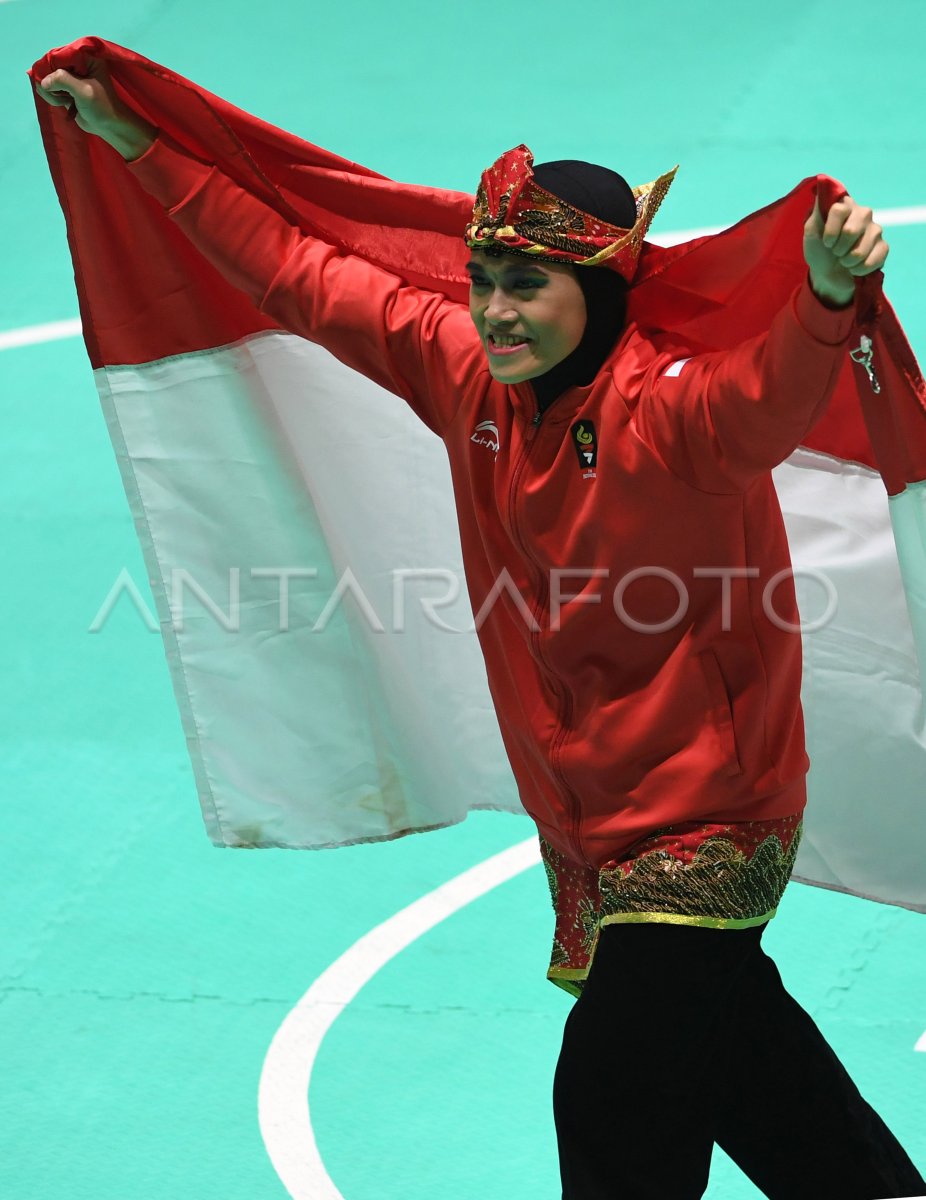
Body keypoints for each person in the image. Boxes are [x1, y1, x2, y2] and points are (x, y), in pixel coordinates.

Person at [35, 61, 926, 1200]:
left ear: (599, 293)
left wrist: (821, 298)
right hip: (586, 815)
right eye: (483, 280)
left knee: (612, 1092)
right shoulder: (462, 373)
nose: (494, 310)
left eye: (527, 287)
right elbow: (296, 275)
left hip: (708, 814)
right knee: (746, 1065)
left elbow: (771, 392)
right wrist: (136, 144)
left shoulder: (674, 416)